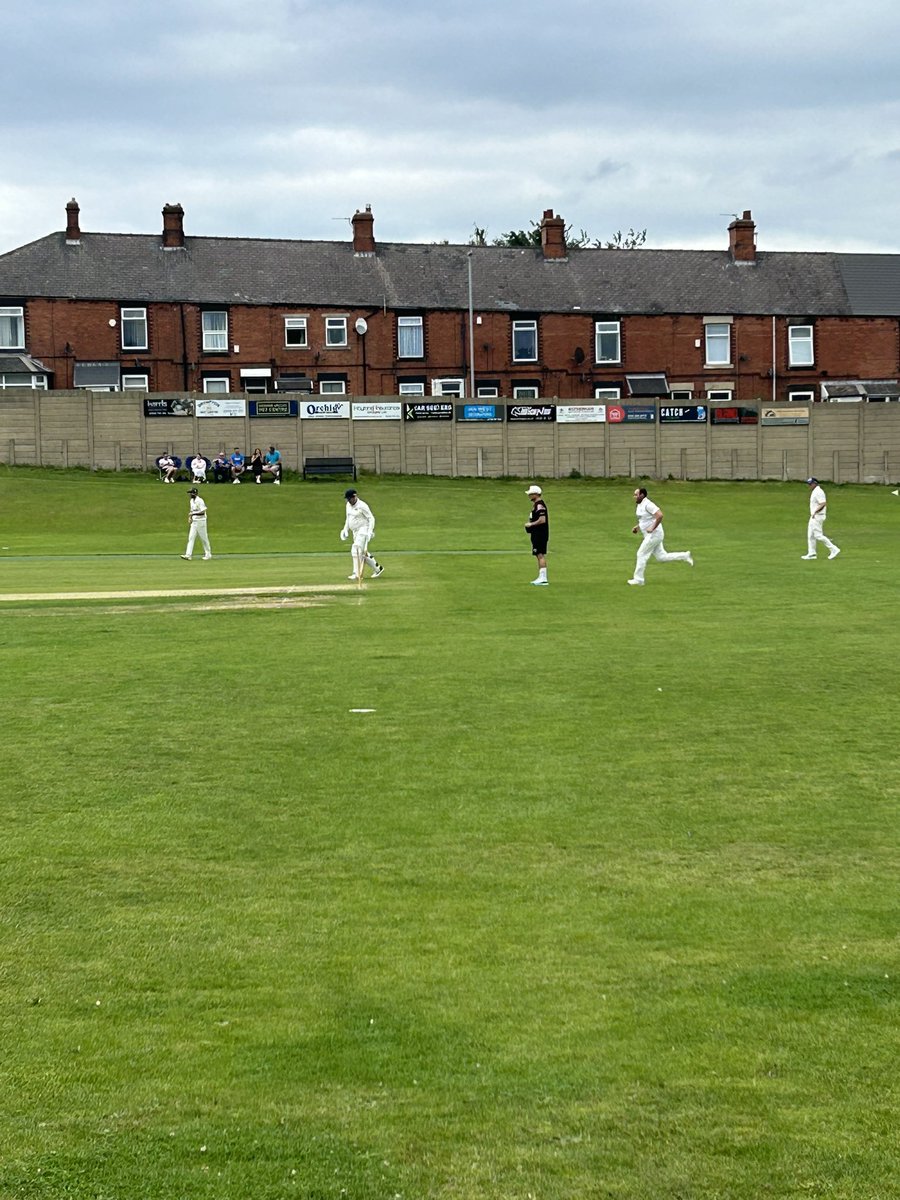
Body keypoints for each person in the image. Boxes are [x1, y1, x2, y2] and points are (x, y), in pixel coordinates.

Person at [628, 486, 693, 585]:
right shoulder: (639, 505)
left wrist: (652, 528)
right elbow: (645, 519)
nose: (634, 497)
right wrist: (637, 527)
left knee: (641, 554)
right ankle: (684, 555)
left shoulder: (648, 504)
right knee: (661, 557)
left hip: (654, 534)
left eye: (636, 495)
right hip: (651, 535)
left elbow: (660, 515)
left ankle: (639, 580)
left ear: (642, 495)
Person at [340, 488, 384, 580]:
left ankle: (356, 574)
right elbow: (348, 518)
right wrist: (345, 530)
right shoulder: (348, 505)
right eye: (347, 499)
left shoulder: (362, 505)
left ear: (354, 497)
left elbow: (371, 518)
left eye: (350, 498)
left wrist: (370, 531)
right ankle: (378, 569)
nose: (348, 501)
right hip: (355, 531)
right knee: (362, 553)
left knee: (355, 549)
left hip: (363, 529)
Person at [802, 478, 841, 560]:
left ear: (815, 483)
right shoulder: (815, 491)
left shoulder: (819, 492)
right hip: (814, 515)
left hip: (817, 515)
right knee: (810, 535)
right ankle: (812, 553)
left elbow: (823, 503)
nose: (809, 486)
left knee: (818, 535)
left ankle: (834, 549)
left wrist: (815, 512)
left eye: (810, 484)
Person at [524, 484, 549, 585]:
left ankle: (543, 577)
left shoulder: (539, 505)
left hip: (540, 534)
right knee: (538, 555)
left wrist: (531, 524)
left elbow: (542, 520)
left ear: (536, 494)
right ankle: (541, 576)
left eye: (530, 494)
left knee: (540, 554)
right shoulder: (536, 505)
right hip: (536, 534)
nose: (529, 496)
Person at [181, 487, 212, 560]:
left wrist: (192, 514)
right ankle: (188, 555)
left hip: (201, 522)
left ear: (194, 493)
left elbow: (203, 512)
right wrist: (190, 518)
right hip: (194, 522)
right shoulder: (191, 501)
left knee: (204, 538)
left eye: (190, 493)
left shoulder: (200, 500)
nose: (189, 494)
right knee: (191, 537)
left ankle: (208, 554)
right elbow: (191, 511)